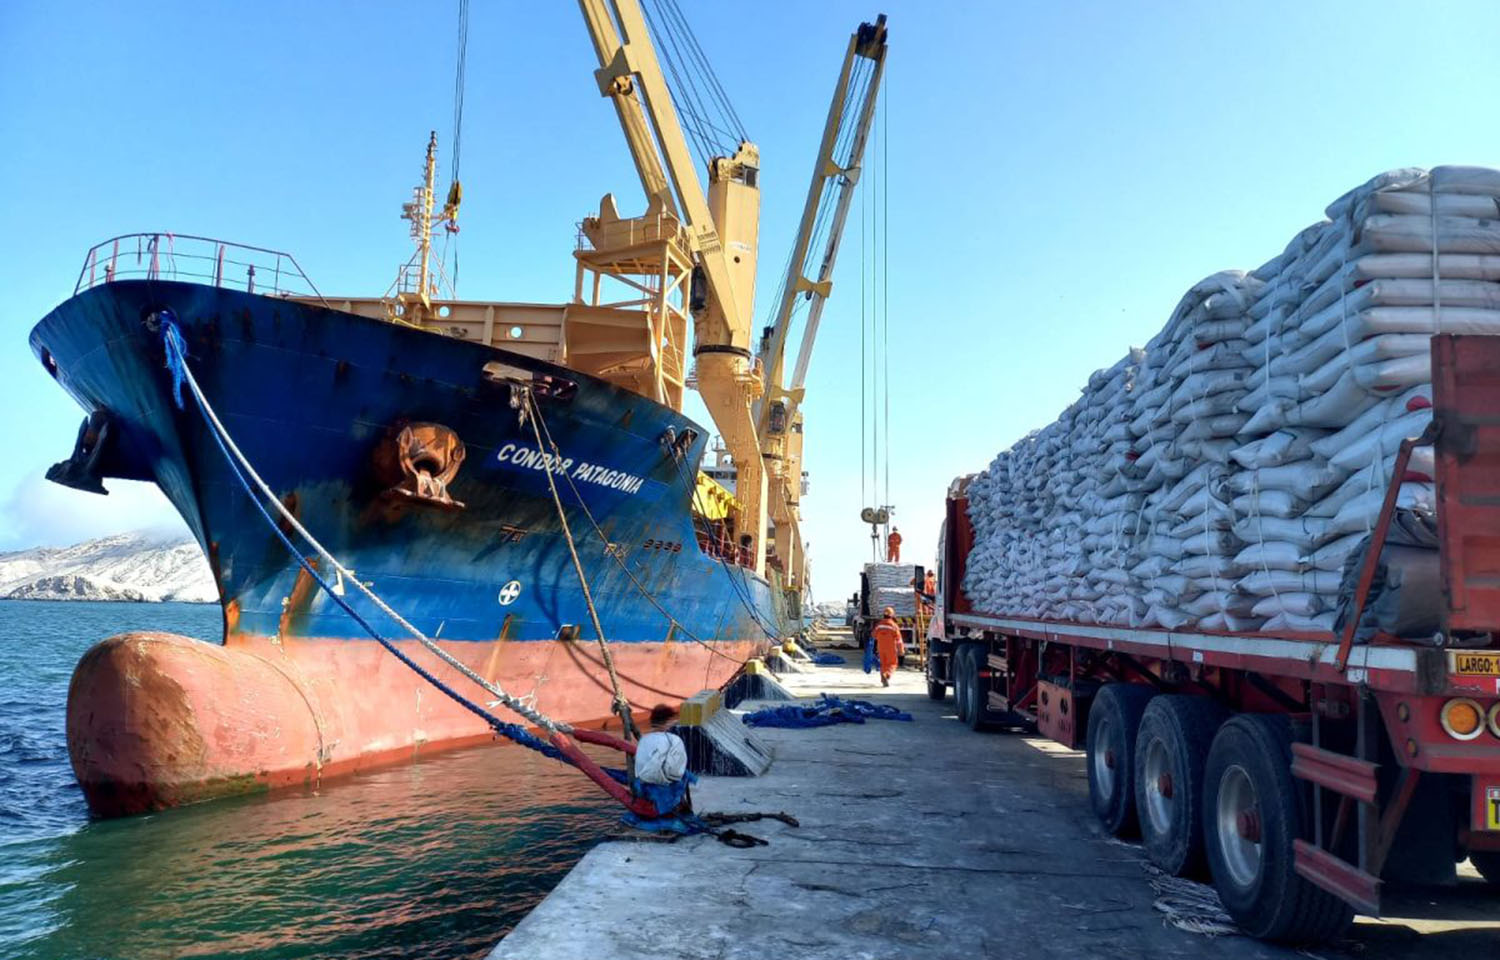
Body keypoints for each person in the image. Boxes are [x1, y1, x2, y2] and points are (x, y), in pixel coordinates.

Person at [871, 606, 903, 687]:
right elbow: (899, 640)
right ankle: (887, 675)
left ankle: (883, 678)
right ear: (892, 615)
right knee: (892, 663)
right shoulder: (894, 625)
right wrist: (901, 651)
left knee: (883, 664)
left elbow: (873, 635)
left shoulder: (879, 625)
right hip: (891, 648)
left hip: (881, 647)